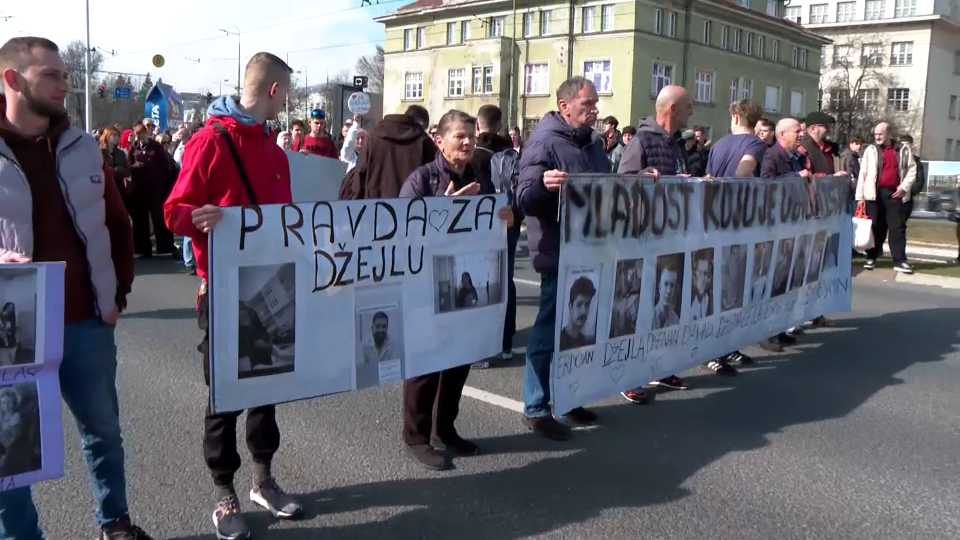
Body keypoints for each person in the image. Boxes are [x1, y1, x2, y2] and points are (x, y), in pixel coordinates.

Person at [0, 36, 151, 540]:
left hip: (86, 323)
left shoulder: (84, 146)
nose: (64, 84)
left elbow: (118, 224)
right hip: (11, 335)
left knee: (103, 432)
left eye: (65, 75)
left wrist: (117, 295)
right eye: (51, 75)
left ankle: (115, 524)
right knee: (10, 451)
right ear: (12, 80)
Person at [164, 52, 303, 540]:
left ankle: (263, 480)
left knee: (267, 387)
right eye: (286, 94)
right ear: (273, 91)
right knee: (224, 395)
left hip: (270, 286)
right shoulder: (210, 141)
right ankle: (224, 491)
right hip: (223, 291)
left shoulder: (275, 150)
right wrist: (195, 218)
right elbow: (174, 211)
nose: (286, 103)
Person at [398, 109, 514, 469]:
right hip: (426, 286)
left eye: (471, 136)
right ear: (439, 141)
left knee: (460, 358)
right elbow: (403, 230)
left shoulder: (480, 175)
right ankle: (416, 437)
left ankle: (445, 429)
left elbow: (495, 219)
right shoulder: (422, 179)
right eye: (459, 136)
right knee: (425, 364)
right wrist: (441, 210)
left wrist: (508, 216)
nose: (467, 142)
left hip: (467, 281)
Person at [517, 76, 610, 439]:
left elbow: (608, 187)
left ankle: (569, 397)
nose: (595, 110)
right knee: (547, 333)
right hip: (559, 252)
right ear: (565, 106)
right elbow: (524, 197)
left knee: (578, 334)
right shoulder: (544, 142)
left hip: (590, 248)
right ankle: (536, 408)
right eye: (588, 104)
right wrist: (543, 185)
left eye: (596, 104)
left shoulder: (593, 144)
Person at [617, 84, 694, 399]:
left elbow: (675, 181)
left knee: (666, 310)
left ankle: (660, 369)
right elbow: (623, 182)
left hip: (669, 238)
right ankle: (628, 377)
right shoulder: (642, 141)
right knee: (642, 309)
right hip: (644, 239)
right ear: (673, 109)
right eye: (688, 106)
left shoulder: (676, 143)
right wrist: (643, 178)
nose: (692, 111)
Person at [470, 104, 520, 364]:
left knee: (483, 282)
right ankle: (506, 341)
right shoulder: (512, 155)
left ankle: (484, 346)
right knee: (506, 280)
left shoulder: (473, 156)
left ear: (477, 126)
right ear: (500, 127)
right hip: (509, 223)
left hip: (481, 226)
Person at [855, 122, 917, 274]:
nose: (877, 137)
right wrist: (860, 197)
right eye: (875, 134)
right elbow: (863, 173)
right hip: (873, 195)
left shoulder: (902, 149)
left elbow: (912, 169)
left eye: (880, 134)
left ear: (888, 134)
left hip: (895, 194)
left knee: (897, 228)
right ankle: (871, 257)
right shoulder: (871, 150)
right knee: (875, 227)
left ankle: (900, 260)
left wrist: (904, 187)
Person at [338, 104, 435, 200]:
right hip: (412, 206)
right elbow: (433, 180)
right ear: (420, 124)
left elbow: (359, 175)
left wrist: (356, 204)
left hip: (374, 205)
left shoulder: (373, 137)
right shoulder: (424, 142)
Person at [559, 276, 596, 351]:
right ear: (570, 307)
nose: (583, 311)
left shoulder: (585, 342)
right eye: (579, 305)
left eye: (587, 305)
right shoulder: (559, 340)